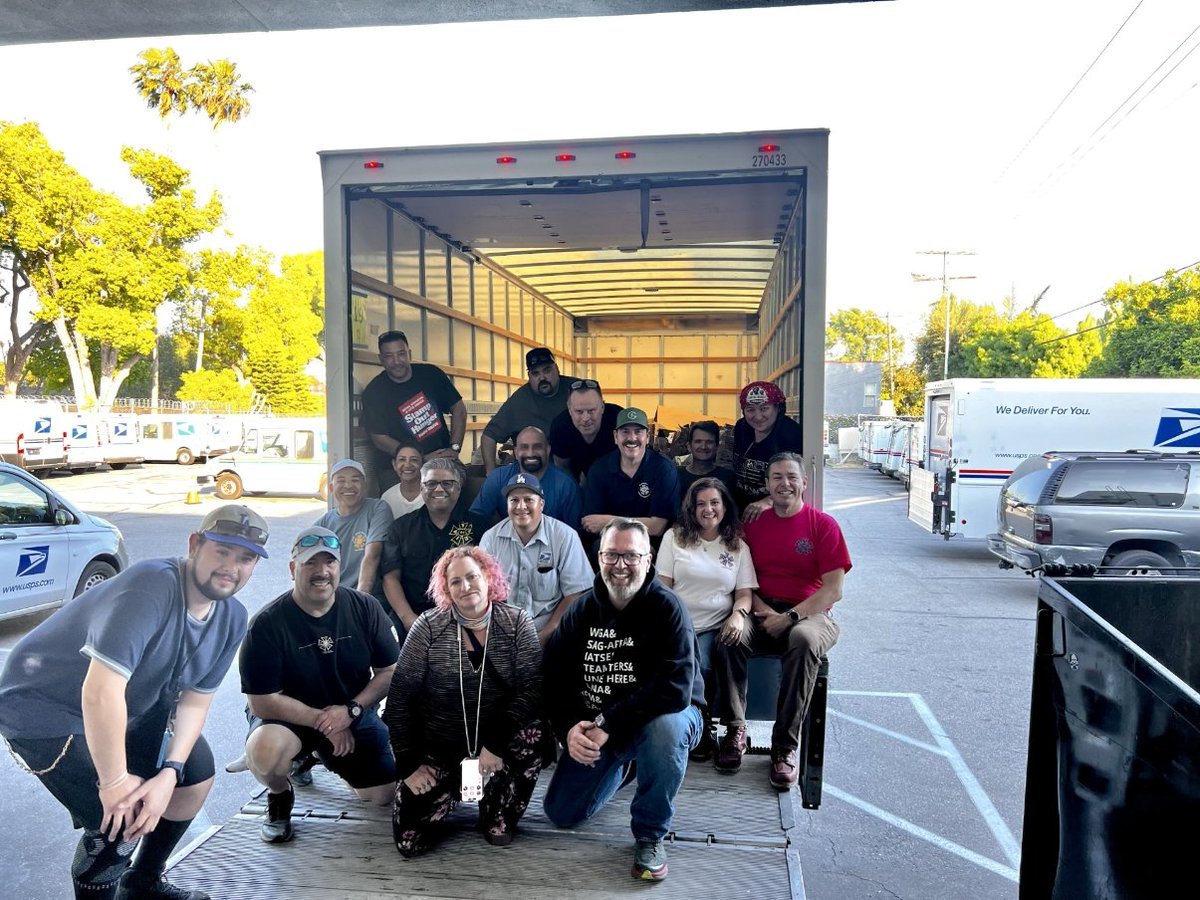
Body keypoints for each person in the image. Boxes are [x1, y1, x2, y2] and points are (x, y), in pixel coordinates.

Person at [0, 505, 269, 900]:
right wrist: (114, 782)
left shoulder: (231, 616)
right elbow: (100, 692)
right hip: (45, 706)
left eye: (245, 558)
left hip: (128, 704)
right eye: (223, 551)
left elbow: (195, 701)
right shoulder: (151, 586)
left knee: (196, 772)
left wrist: (169, 773)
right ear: (195, 545)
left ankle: (142, 883)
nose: (232, 566)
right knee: (121, 816)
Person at [542, 519, 704, 882]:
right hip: (604, 726)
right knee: (561, 813)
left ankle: (650, 834)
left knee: (664, 728)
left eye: (630, 556)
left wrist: (606, 724)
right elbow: (553, 680)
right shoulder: (582, 610)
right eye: (612, 554)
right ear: (598, 558)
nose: (620, 565)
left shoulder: (668, 608)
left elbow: (675, 688)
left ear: (648, 560)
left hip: (666, 718)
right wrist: (569, 728)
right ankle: (628, 766)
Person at [383, 546, 555, 856]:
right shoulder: (428, 627)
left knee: (534, 733)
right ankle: (455, 791)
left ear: (488, 578)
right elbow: (399, 698)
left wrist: (495, 743)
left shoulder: (517, 623)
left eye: (473, 577)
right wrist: (408, 765)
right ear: (445, 589)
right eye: (456, 581)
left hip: (496, 749)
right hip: (440, 745)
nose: (466, 587)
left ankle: (494, 805)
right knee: (410, 844)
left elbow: (534, 688)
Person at [240, 526, 399, 844]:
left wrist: (350, 711)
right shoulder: (267, 623)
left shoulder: (365, 608)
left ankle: (314, 757)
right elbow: (262, 702)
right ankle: (279, 795)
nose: (321, 572)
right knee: (265, 751)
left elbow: (389, 671)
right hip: (287, 720)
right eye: (310, 563)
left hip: (349, 711)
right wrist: (325, 723)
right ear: (292, 568)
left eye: (329, 562)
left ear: (340, 568)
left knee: (383, 796)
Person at [714, 452, 849, 790]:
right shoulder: (753, 525)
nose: (784, 483)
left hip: (811, 613)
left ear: (804, 483)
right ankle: (735, 731)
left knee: (803, 640)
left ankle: (784, 749)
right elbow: (740, 579)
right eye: (776, 477)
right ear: (767, 485)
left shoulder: (823, 525)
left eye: (791, 477)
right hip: (761, 608)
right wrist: (760, 612)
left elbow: (833, 590)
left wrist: (789, 617)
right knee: (730, 632)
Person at [656, 477, 756, 761]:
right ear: (691, 508)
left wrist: (738, 615)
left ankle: (712, 727)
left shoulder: (737, 546)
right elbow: (662, 588)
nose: (708, 509)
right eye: (701, 504)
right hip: (679, 624)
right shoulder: (673, 538)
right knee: (689, 664)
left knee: (706, 664)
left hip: (716, 624)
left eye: (714, 502)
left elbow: (745, 593)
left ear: (725, 506)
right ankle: (696, 729)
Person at [478, 472, 593, 643]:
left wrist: (547, 634)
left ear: (542, 504)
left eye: (528, 500)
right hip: (501, 630)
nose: (521, 506)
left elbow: (576, 593)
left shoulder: (565, 536)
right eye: (514, 500)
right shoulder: (490, 538)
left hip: (550, 629)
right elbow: (481, 591)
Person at [380, 458, 489, 638]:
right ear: (421, 489)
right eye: (430, 484)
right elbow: (390, 578)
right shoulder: (401, 528)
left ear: (459, 488)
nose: (439, 489)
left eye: (447, 483)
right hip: (413, 615)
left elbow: (488, 577)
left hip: (465, 615)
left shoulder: (479, 527)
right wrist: (409, 619)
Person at [361, 330, 467, 492]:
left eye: (401, 354)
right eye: (389, 356)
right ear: (381, 359)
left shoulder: (431, 374)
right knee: (399, 509)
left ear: (409, 353)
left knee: (452, 499)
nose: (397, 361)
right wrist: (419, 458)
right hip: (398, 468)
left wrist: (454, 448)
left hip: (439, 459)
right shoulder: (374, 391)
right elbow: (379, 438)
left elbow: (458, 409)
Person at [580, 407, 680, 544]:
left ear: (647, 437)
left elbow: (657, 527)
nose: (632, 438)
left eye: (638, 432)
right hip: (610, 542)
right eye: (625, 432)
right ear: (615, 437)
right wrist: (644, 524)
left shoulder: (664, 469)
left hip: (651, 546)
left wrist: (608, 521)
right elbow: (591, 523)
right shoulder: (599, 469)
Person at [314, 459, 392, 605]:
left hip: (369, 596)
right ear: (331, 488)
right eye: (341, 480)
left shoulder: (378, 508)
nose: (348, 486)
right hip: (333, 597)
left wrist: (359, 601)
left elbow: (372, 555)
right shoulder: (323, 523)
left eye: (355, 480)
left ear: (364, 485)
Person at [470, 425, 581, 526]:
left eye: (537, 447)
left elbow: (575, 533)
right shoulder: (498, 478)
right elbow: (475, 519)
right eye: (524, 447)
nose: (530, 453)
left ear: (548, 450)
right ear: (516, 452)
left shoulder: (566, 484)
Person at [480, 347, 569, 473]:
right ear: (529, 376)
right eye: (535, 373)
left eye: (547, 370)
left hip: (574, 468)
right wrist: (491, 473)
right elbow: (488, 436)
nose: (542, 377)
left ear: (557, 369)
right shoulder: (519, 401)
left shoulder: (575, 390)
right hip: (532, 472)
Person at [731, 380, 803, 517]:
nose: (758, 416)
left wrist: (768, 501)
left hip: (776, 511)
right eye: (750, 409)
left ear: (778, 408)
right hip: (740, 510)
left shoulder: (791, 434)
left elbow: (796, 481)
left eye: (764, 408)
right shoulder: (741, 428)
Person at [549, 378, 622, 483]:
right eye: (579, 411)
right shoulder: (560, 428)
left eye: (591, 410)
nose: (586, 418)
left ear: (602, 407)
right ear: (570, 410)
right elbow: (563, 469)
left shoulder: (618, 421)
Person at [677, 420, 736, 498]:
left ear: (717, 446)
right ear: (689, 446)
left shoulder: (727, 478)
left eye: (709, 442)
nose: (703, 446)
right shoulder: (675, 476)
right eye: (698, 441)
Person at [380, 441, 425, 519]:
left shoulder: (433, 494)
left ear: (422, 465)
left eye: (414, 460)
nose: (407, 465)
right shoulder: (387, 497)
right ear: (394, 465)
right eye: (402, 460)